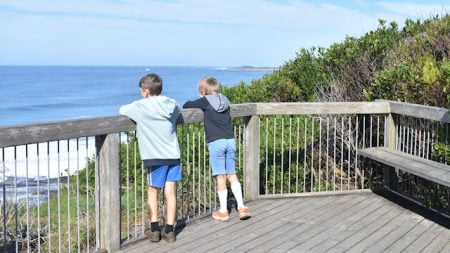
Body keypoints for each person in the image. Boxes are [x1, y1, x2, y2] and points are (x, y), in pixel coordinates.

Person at [119, 73, 181, 242]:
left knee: (152, 191)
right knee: (170, 192)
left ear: (146, 91)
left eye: (141, 90)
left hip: (154, 156)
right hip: (173, 155)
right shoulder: (172, 104)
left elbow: (122, 110)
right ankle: (169, 231)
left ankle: (154, 230)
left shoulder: (140, 107)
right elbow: (177, 114)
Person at [183, 76, 251, 221]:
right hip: (230, 140)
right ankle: (242, 207)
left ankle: (223, 211)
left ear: (203, 91)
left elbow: (187, 105)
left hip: (216, 142)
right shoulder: (225, 100)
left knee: (220, 175)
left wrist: (200, 98)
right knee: (232, 174)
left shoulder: (205, 100)